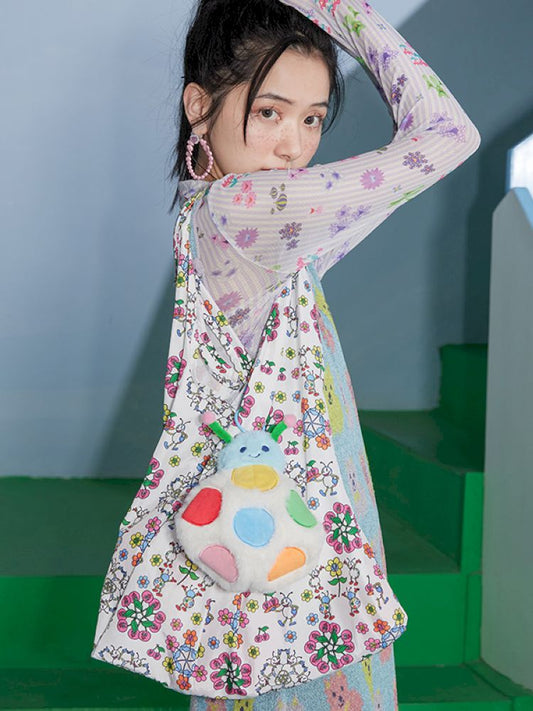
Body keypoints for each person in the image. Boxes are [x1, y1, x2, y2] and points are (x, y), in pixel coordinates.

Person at [92, 0, 480, 708]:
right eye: (269, 112)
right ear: (199, 107)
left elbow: (410, 171)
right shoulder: (243, 208)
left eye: (311, 119)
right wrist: (339, 9)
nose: (292, 145)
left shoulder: (217, 214)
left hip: (278, 520)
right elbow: (449, 134)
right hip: (288, 530)